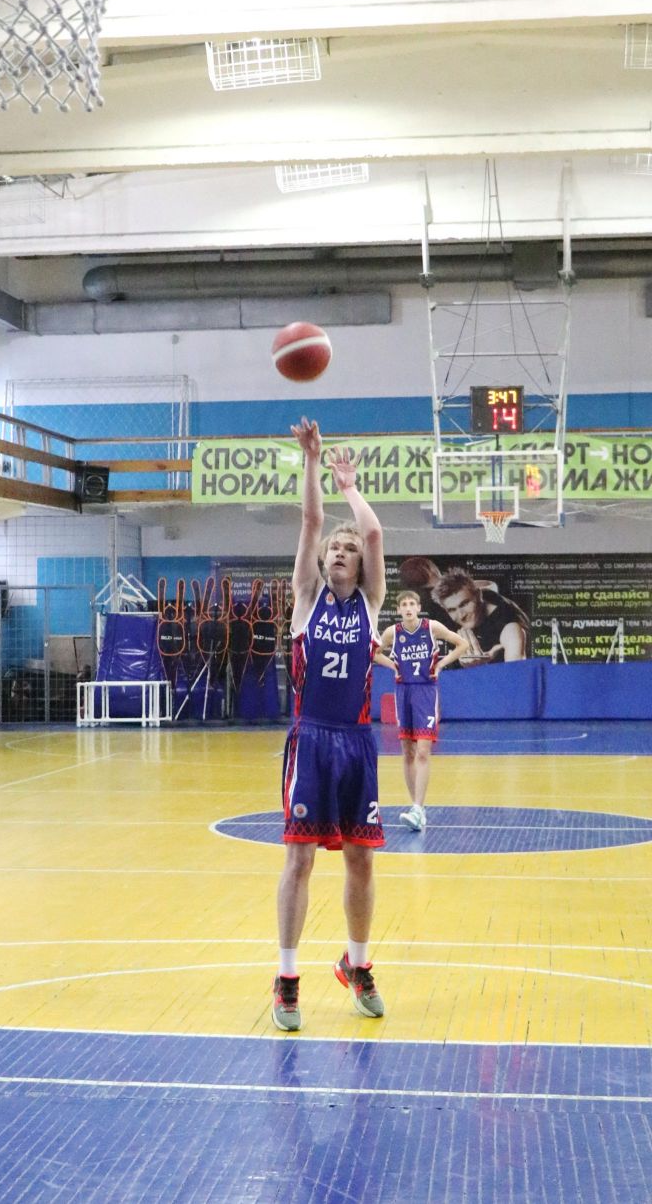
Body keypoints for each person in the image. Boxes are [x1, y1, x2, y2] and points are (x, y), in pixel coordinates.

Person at [272, 418, 386, 1033]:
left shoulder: (370, 605)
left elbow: (373, 530)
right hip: (311, 738)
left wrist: (350, 487)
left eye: (350, 550)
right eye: (334, 549)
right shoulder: (306, 598)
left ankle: (357, 964)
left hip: (358, 742)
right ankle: (287, 979)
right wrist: (313, 462)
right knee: (299, 860)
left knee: (361, 862)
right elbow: (311, 523)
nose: (341, 552)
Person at [375, 590, 467, 831]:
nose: (408, 608)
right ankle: (417, 808)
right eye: (404, 604)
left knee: (423, 751)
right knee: (407, 751)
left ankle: (417, 808)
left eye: (412, 604)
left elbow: (462, 644)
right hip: (403, 691)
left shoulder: (431, 627)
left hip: (426, 691)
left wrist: (441, 664)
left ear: (418, 607)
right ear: (398, 610)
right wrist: (393, 666)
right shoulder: (392, 632)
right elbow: (374, 653)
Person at [431, 567, 530, 664]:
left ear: (479, 596)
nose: (461, 615)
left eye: (464, 604)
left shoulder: (510, 627)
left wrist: (477, 669)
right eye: (452, 610)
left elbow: (515, 670)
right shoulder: (479, 595)